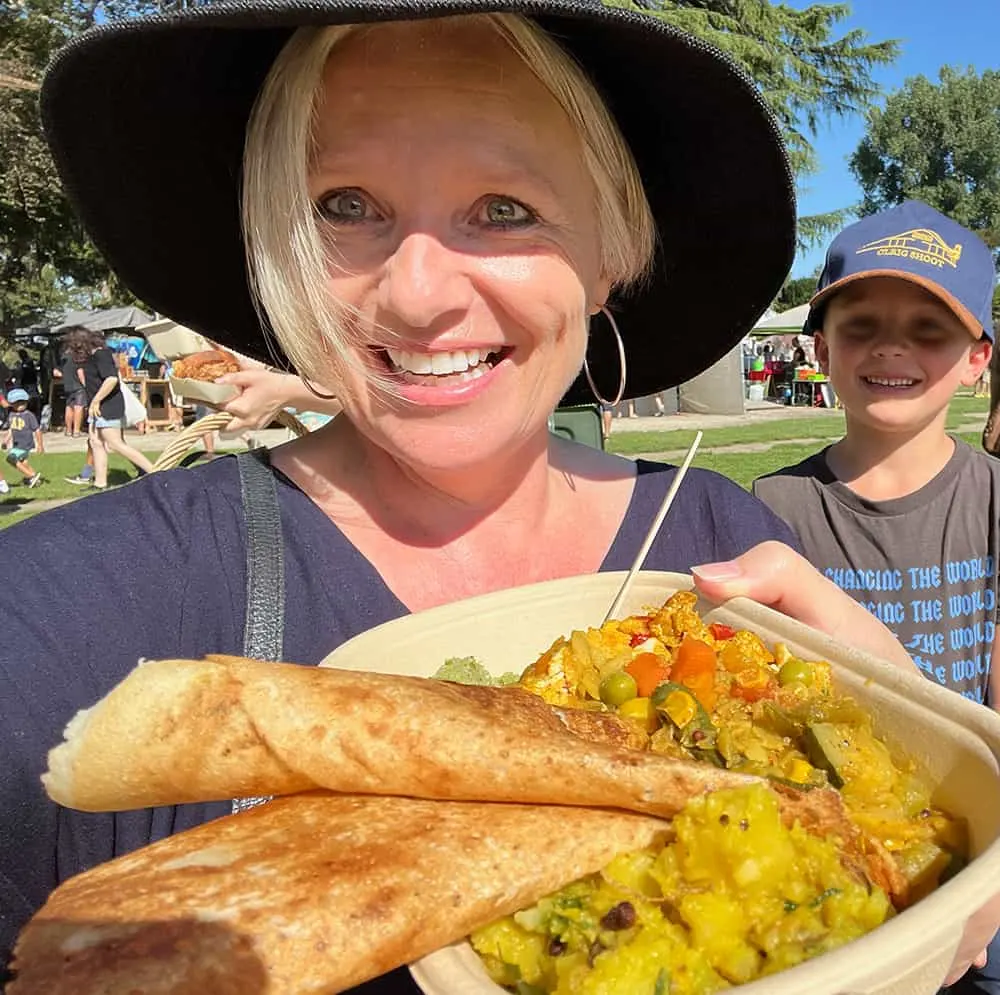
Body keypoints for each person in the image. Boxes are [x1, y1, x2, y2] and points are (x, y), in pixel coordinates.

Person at [1, 7, 994, 992]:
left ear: (609, 255)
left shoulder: (725, 539)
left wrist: (925, 778)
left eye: (504, 209)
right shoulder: (78, 603)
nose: (419, 292)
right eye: (344, 205)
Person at [752, 200, 1000, 994]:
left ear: (977, 359)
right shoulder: (772, 508)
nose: (893, 345)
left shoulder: (996, 499)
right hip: (841, 853)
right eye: (861, 324)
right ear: (819, 348)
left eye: (931, 327)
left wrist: (988, 882)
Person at [62, 326, 154, 489]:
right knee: (95, 441)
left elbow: (111, 379)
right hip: (96, 407)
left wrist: (97, 400)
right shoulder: (92, 357)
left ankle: (157, 473)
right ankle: (100, 483)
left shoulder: (101, 355)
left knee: (115, 444)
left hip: (107, 406)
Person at [1, 388, 43, 488]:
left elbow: (37, 430)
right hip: (16, 443)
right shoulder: (11, 414)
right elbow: (12, 429)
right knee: (23, 463)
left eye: (22, 403)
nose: (20, 406)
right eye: (16, 403)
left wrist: (40, 445)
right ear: (11, 404)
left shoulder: (29, 415)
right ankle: (35, 479)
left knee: (11, 458)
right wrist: (6, 441)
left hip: (25, 444)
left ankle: (31, 476)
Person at [53, 349, 86, 437]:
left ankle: (68, 430)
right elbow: (80, 372)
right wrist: (85, 385)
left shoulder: (64, 358)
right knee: (78, 407)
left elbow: (55, 372)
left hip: (67, 386)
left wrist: (66, 376)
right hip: (78, 386)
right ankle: (76, 431)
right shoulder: (78, 358)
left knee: (69, 407)